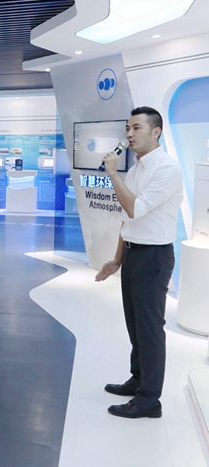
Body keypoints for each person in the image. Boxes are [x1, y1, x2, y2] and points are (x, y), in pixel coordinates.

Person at [95, 106, 183, 419]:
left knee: (149, 329)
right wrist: (117, 259)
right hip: (133, 254)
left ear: (156, 132)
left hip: (153, 257)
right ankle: (138, 379)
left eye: (136, 128)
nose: (129, 134)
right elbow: (126, 220)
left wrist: (113, 174)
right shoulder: (137, 168)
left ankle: (149, 400)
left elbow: (136, 208)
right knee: (135, 325)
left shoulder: (167, 169)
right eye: (128, 128)